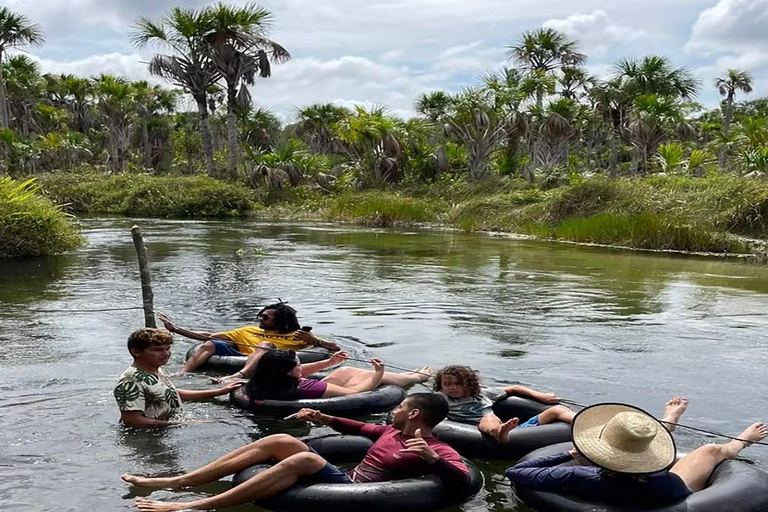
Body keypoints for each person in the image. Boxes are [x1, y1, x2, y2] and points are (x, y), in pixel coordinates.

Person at [122, 393, 470, 512]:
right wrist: (321, 416)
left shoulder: (437, 447)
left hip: (355, 493)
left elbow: (461, 479)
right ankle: (179, 480)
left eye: (401, 407)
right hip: (345, 479)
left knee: (303, 458)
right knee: (282, 441)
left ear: (413, 414)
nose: (393, 410)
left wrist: (433, 460)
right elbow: (356, 428)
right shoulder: (390, 430)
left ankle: (190, 505)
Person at [506, 399, 768, 508]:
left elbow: (516, 472)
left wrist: (566, 455)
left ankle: (667, 423)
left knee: (636, 446)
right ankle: (739, 443)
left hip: (618, 489)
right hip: (667, 493)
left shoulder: (578, 476)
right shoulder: (664, 481)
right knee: (711, 450)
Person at [157, 302, 340, 376]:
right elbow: (208, 335)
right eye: (261, 315)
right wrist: (175, 329)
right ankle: (182, 372)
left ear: (280, 320)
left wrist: (315, 341)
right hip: (240, 355)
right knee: (210, 343)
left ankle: (241, 375)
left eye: (266, 317)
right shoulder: (248, 330)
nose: (261, 318)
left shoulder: (298, 336)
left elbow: (335, 349)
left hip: (270, 360)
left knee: (265, 344)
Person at [113, 328, 242, 427]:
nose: (165, 354)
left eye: (167, 349)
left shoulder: (154, 370)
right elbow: (132, 420)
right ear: (136, 352)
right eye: (157, 350)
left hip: (165, 427)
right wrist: (185, 424)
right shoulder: (130, 381)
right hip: (147, 438)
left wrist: (218, 392)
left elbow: (171, 393)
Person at [433, 365, 575, 443]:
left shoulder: (483, 393)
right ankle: (497, 432)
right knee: (488, 418)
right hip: (479, 431)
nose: (452, 388)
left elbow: (515, 388)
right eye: (446, 384)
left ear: (469, 384)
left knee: (557, 410)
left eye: (458, 384)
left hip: (519, 432)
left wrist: (540, 396)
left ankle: (586, 422)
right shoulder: (442, 399)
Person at [244, 348, 431, 400]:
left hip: (290, 393)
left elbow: (297, 372)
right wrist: (378, 374)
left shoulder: (264, 379)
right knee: (368, 376)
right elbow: (354, 394)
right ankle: (416, 377)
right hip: (325, 397)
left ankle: (412, 375)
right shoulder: (308, 386)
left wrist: (328, 363)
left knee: (345, 370)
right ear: (287, 371)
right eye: (299, 365)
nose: (302, 367)